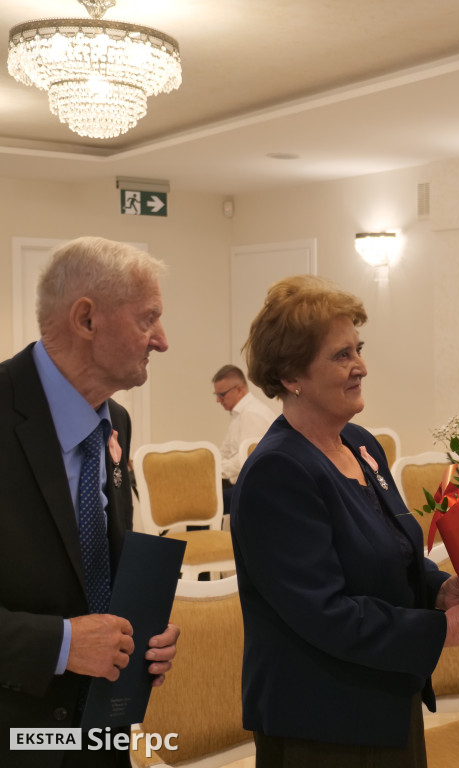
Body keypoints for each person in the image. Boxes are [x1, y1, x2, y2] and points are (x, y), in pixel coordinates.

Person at [230, 275, 459, 767]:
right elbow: (325, 613)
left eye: (358, 349)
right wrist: (444, 630)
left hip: (384, 698)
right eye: (341, 355)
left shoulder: (359, 444)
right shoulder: (278, 471)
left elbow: (391, 550)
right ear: (289, 376)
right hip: (320, 723)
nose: (361, 366)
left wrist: (440, 589)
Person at [0, 236, 180, 767]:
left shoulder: (115, 423)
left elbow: (93, 569)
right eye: (148, 319)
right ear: (86, 319)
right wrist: (58, 644)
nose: (162, 341)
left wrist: (141, 634)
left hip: (100, 736)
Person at [211, 364, 275, 504]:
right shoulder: (239, 414)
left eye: (221, 395)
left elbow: (245, 460)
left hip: (259, 487)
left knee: (203, 500)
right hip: (242, 482)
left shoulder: (252, 414)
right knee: (197, 492)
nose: (218, 400)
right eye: (216, 395)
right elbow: (224, 452)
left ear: (239, 389)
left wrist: (215, 471)